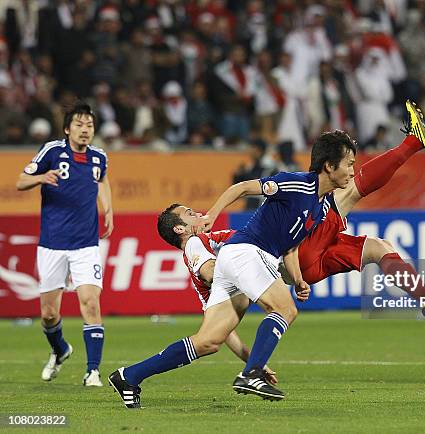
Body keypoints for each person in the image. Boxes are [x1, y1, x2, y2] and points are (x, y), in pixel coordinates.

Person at [109, 130, 354, 407]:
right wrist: (212, 214)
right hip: (247, 252)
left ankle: (129, 376)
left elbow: (291, 247)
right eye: (349, 164)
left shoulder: (320, 207)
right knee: (285, 309)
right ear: (329, 166)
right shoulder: (297, 183)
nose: (352, 171)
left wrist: (297, 279)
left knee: (208, 341)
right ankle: (251, 374)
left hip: (237, 259)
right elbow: (240, 188)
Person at [16, 102, 113, 387]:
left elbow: (102, 181)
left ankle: (92, 371)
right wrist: (40, 178)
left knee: (90, 303)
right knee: (48, 314)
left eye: (90, 125)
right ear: (68, 129)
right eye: (80, 125)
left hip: (85, 244)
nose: (85, 130)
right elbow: (21, 181)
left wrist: (107, 209)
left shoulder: (99, 157)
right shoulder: (52, 151)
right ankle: (60, 350)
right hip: (52, 244)